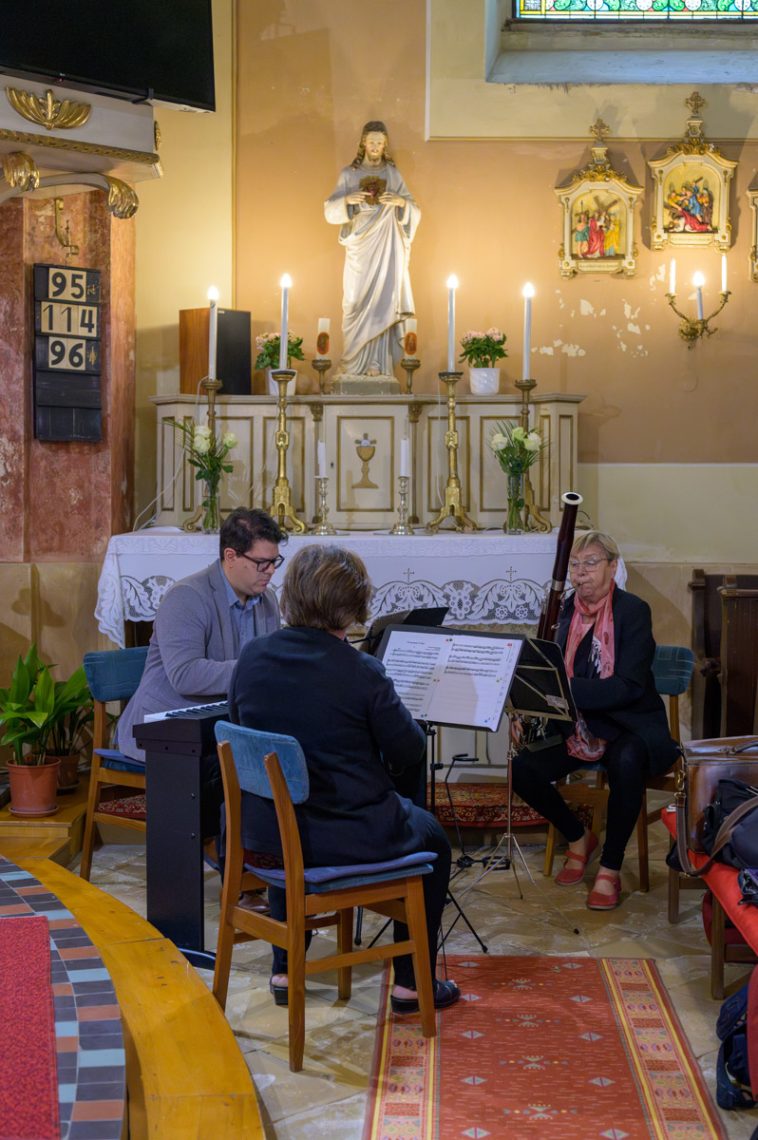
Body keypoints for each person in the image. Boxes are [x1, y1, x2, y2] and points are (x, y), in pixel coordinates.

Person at [228, 544, 458, 1014]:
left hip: (264, 837)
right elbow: (408, 752)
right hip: (343, 839)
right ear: (353, 606)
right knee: (432, 835)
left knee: (285, 806)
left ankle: (283, 966)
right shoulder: (362, 671)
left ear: (292, 597)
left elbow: (241, 733)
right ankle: (412, 985)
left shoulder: (251, 659)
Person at [511, 531, 677, 910]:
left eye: (590, 563)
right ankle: (579, 837)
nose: (580, 573)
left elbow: (629, 687)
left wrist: (564, 689)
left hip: (629, 722)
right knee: (522, 769)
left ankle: (611, 867)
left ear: (613, 567)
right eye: (574, 564)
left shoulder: (633, 611)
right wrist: (525, 708)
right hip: (578, 726)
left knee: (627, 761)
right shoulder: (563, 610)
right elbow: (541, 667)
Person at [117, 508, 286, 762]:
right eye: (262, 563)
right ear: (230, 556)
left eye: (275, 561)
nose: (271, 571)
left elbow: (272, 662)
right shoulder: (186, 597)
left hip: (222, 723)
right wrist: (256, 670)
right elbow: (185, 675)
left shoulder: (267, 599)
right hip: (167, 725)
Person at [324, 121, 420, 380]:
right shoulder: (349, 174)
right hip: (359, 249)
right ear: (363, 143)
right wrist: (347, 200)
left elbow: (414, 210)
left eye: (380, 142)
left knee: (382, 303)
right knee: (354, 302)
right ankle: (352, 365)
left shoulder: (393, 174)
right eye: (371, 141)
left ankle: (378, 365)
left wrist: (400, 202)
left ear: (384, 145)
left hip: (386, 249)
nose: (376, 146)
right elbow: (329, 211)